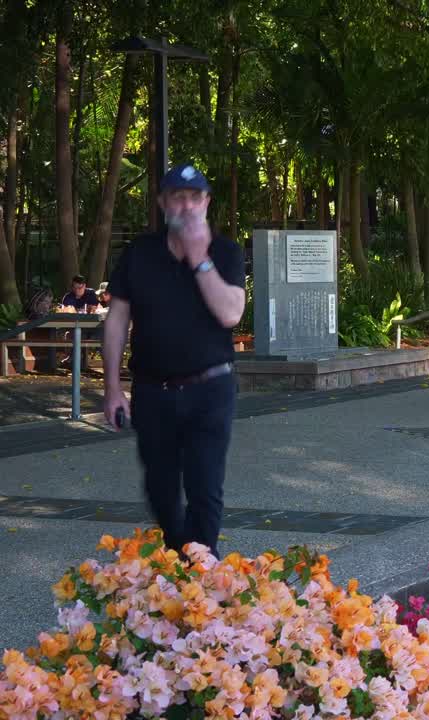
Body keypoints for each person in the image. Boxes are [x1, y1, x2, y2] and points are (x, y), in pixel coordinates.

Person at [102, 163, 246, 558]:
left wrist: (200, 258)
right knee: (161, 489)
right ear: (163, 202)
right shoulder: (140, 253)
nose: (186, 206)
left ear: (207, 202)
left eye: (195, 197)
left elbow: (231, 313)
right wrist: (112, 388)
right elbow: (117, 320)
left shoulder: (226, 252)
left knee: (205, 487)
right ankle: (180, 556)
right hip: (153, 391)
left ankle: (201, 574)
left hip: (210, 389)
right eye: (177, 198)